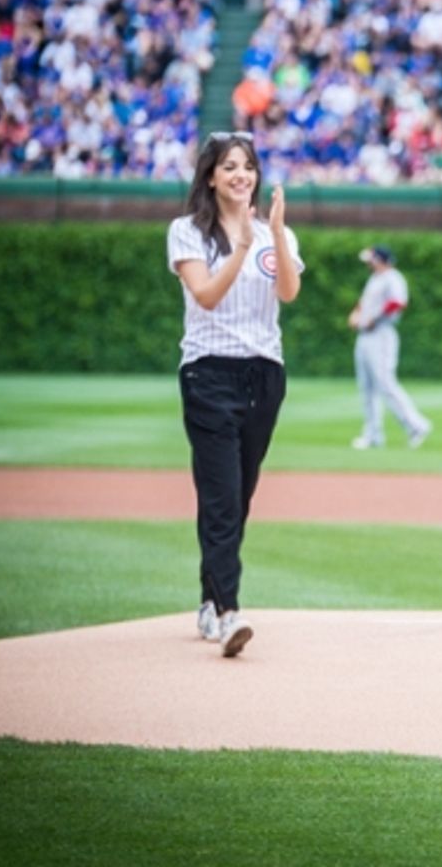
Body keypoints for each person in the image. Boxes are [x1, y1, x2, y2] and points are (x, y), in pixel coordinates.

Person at [167, 131, 303, 657]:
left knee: (237, 495)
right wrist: (242, 244)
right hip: (209, 373)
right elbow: (204, 295)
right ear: (210, 176)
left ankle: (207, 596)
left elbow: (288, 293)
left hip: (264, 375)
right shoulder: (187, 232)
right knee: (222, 496)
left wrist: (274, 233)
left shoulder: (277, 235)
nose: (241, 175)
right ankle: (227, 613)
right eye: (229, 167)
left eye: (247, 166)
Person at [348, 244, 433, 450]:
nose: (368, 263)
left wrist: (374, 319)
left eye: (371, 259)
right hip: (365, 336)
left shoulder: (393, 278)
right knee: (366, 387)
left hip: (382, 334)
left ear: (379, 259)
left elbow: (397, 303)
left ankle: (416, 425)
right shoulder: (375, 278)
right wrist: (356, 314)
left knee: (385, 383)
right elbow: (364, 302)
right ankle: (373, 434)